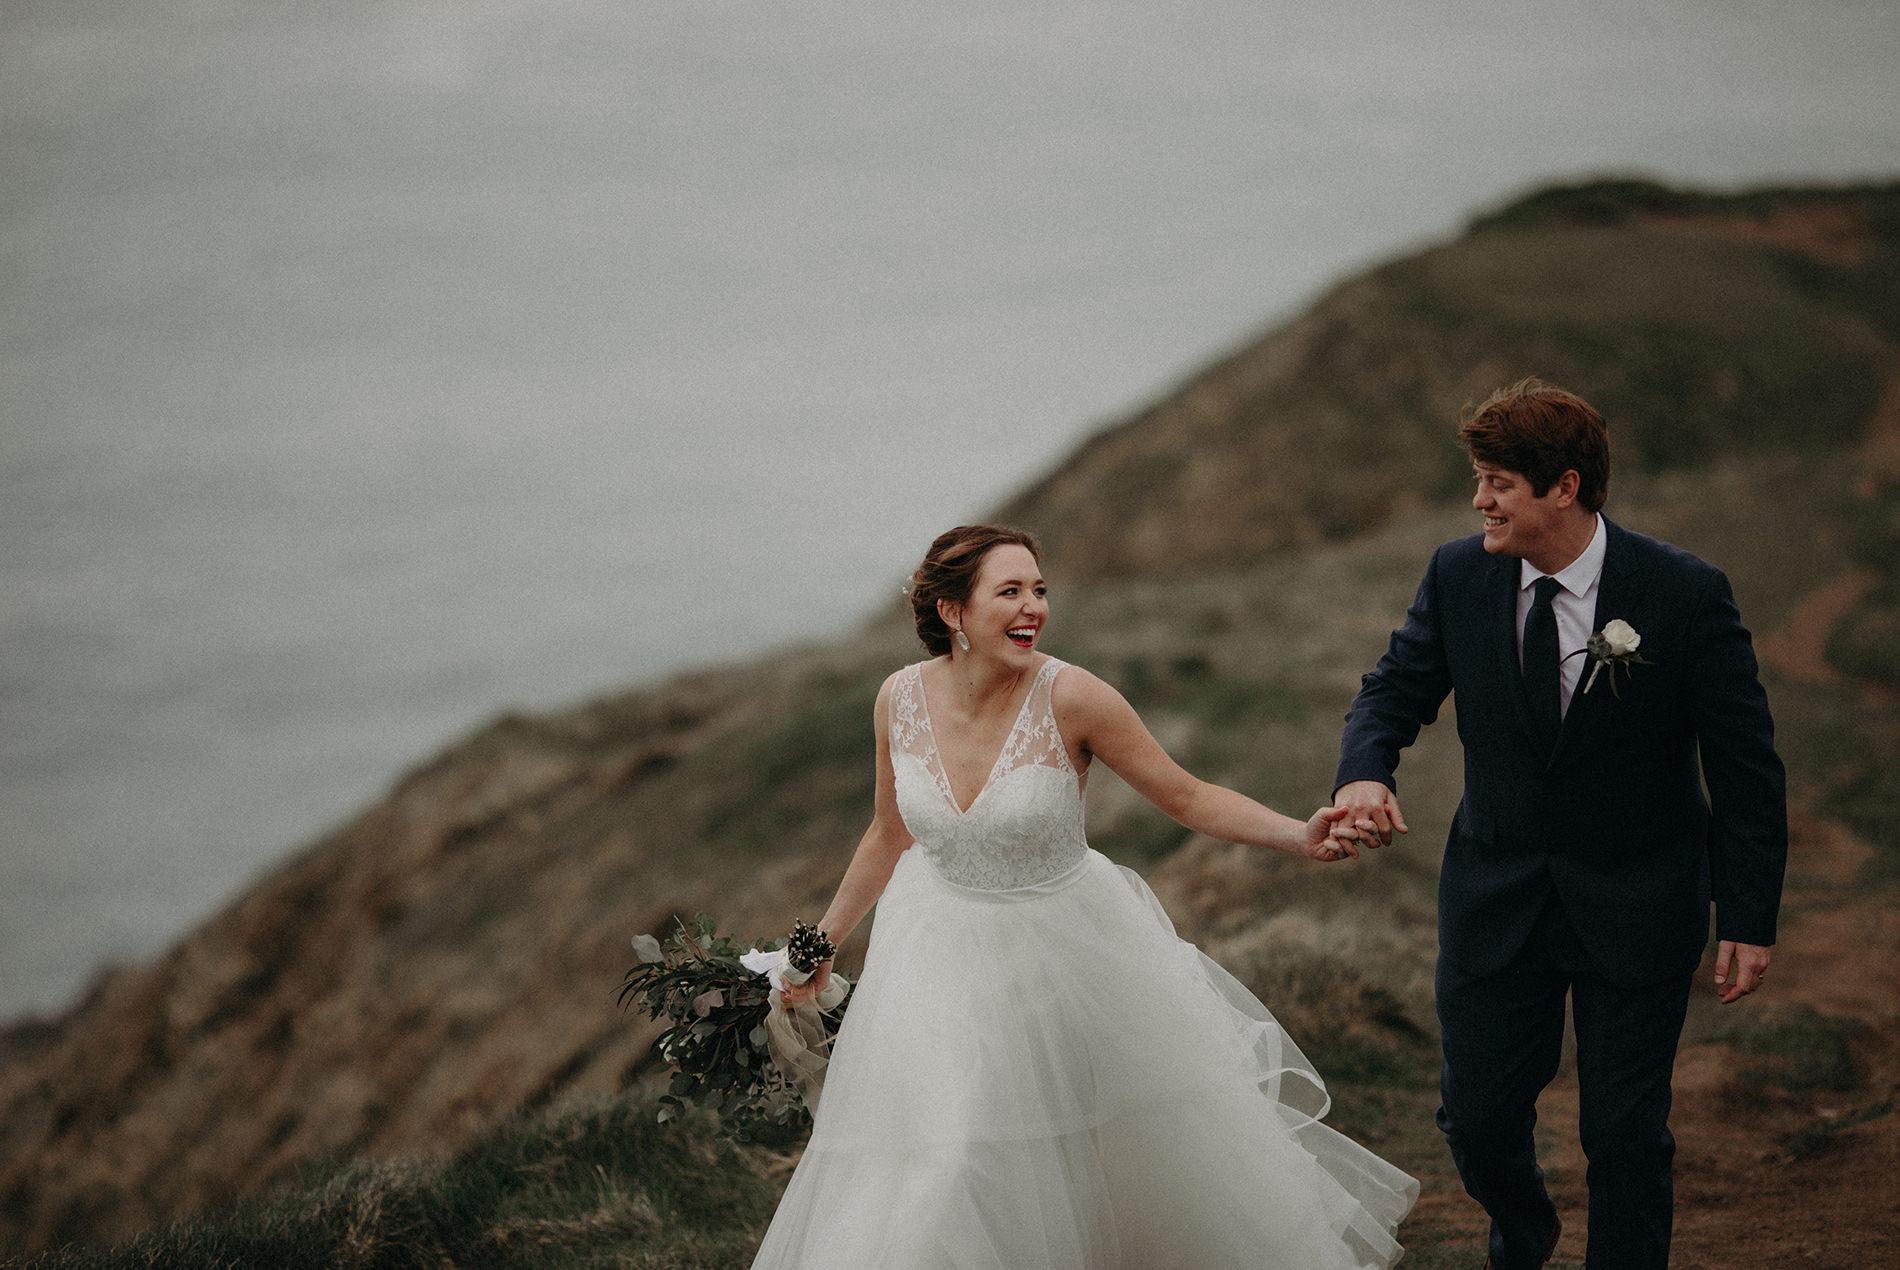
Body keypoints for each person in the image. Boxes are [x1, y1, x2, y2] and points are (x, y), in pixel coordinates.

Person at [749, 525, 1417, 1269]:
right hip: (935, 955)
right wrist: (817, 947)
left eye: (1039, 590)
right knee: (948, 1154)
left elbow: (1187, 796)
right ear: (951, 612)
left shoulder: (1074, 697)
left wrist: (1299, 835)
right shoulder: (897, 700)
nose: (1033, 607)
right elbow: (886, 833)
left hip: (1066, 954)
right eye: (1010, 591)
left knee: (1106, 1159)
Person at [1333, 379, 1787, 1270]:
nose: (1479, 501)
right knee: (1476, 1122)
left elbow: (1745, 765)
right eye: (1479, 479)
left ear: (1564, 488)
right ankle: (1526, 1229)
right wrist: (1362, 774)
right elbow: (1392, 689)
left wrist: (1747, 917)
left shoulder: (1685, 593)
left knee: (1624, 1138)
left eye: (1498, 482)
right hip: (1495, 899)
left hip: (1641, 901)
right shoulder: (1457, 574)